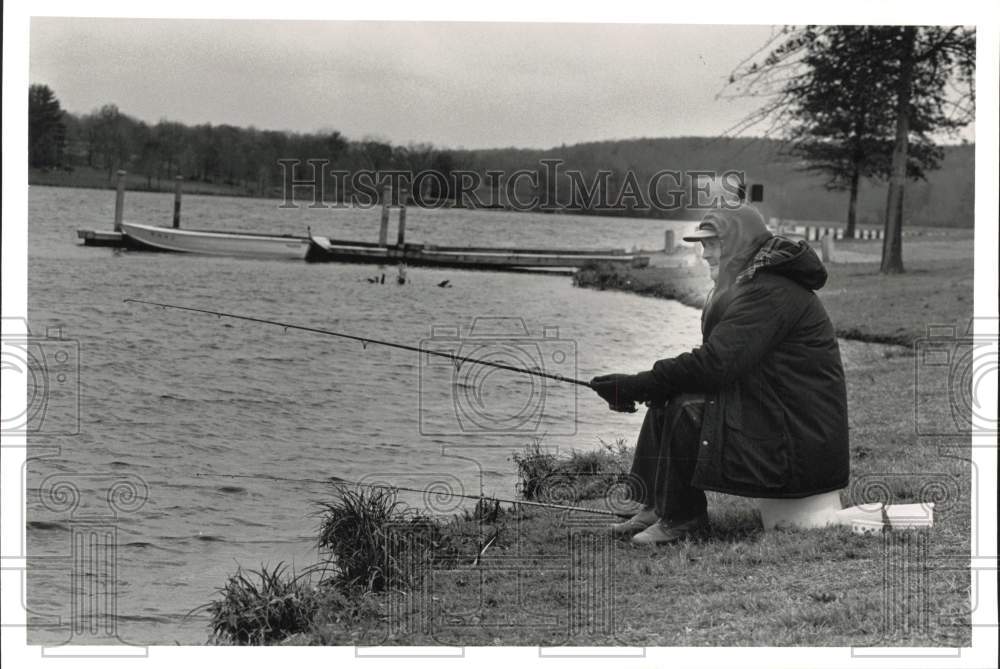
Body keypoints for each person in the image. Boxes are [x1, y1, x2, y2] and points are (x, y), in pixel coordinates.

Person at [590, 204, 849, 545]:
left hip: (800, 443)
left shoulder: (770, 292)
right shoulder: (753, 284)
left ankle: (684, 519)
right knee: (667, 395)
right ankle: (658, 505)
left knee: (685, 403)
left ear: (739, 244)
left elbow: (715, 365)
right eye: (703, 245)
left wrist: (636, 383)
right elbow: (720, 365)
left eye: (713, 244)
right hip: (781, 418)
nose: (705, 254)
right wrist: (645, 387)